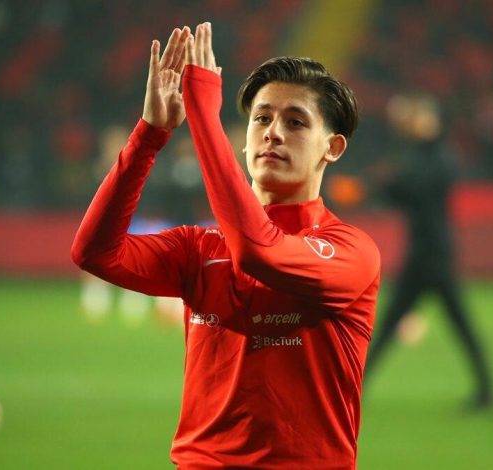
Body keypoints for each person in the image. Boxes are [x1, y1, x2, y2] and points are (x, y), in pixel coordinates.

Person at [71, 23, 380, 468]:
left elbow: (259, 252)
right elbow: (94, 253)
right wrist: (150, 135)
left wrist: (202, 114)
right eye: (262, 118)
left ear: (332, 147)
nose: (273, 132)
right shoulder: (199, 248)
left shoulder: (350, 251)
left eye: (295, 122)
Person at [364, 93, 493, 410]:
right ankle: (486, 391)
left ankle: (353, 386)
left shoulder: (439, 157)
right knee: (445, 325)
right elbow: (402, 194)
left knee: (396, 325)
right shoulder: (419, 154)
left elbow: (414, 187)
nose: (416, 122)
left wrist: (388, 180)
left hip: (433, 255)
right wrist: (386, 182)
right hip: (424, 254)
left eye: (421, 117)